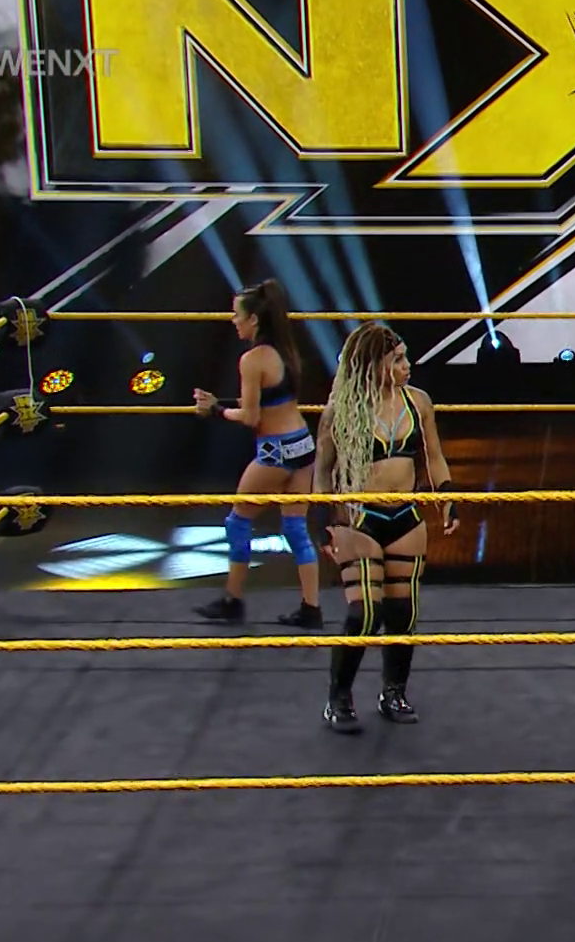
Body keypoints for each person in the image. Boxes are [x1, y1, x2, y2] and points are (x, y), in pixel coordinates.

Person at [311, 321, 459, 734]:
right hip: (359, 516)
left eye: (405, 357)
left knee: (402, 613)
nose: (406, 366)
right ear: (373, 365)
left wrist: (447, 496)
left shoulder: (418, 402)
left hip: (405, 516)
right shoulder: (340, 412)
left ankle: (394, 691)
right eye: (397, 360)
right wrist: (322, 521)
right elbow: (322, 472)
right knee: (364, 613)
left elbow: (434, 456)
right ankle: (339, 697)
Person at [192, 279, 322, 628]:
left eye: (237, 315)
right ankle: (311, 608)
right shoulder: (285, 352)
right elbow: (266, 401)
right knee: (296, 528)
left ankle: (232, 601)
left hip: (276, 450)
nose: (233, 320)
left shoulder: (252, 360)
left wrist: (217, 411)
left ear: (254, 320)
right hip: (301, 444)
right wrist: (221, 403)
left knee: (237, 522)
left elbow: (251, 416)